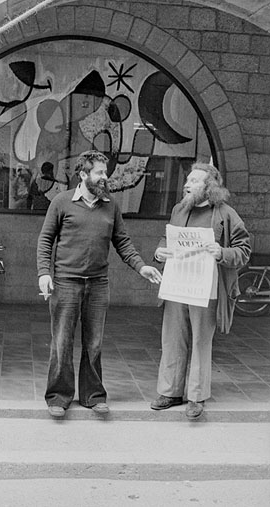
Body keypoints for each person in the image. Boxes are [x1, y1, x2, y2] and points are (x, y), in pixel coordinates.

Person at [37, 150, 162, 418]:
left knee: (94, 343)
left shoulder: (110, 205)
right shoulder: (61, 202)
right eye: (100, 172)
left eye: (105, 172)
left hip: (98, 284)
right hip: (66, 282)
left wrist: (142, 267)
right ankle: (58, 396)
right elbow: (45, 240)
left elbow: (123, 242)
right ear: (83, 175)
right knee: (62, 342)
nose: (105, 177)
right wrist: (43, 273)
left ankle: (93, 396)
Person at [151, 162, 251, 420]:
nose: (187, 184)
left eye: (194, 181)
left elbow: (244, 250)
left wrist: (223, 252)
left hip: (206, 289)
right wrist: (159, 251)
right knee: (172, 339)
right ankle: (170, 391)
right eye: (187, 180)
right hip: (176, 286)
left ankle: (196, 397)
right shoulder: (179, 209)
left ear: (209, 187)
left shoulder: (226, 214)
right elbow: (168, 239)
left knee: (200, 342)